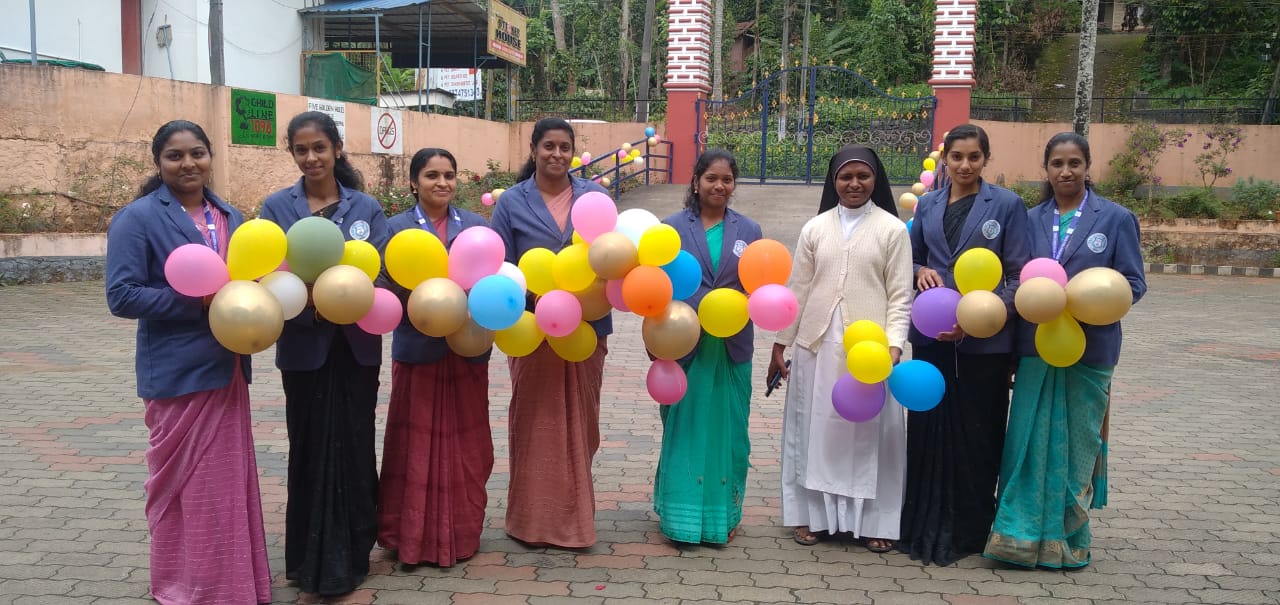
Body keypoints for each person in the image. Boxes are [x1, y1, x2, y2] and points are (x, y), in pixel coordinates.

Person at [105, 120, 271, 604]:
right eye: (175, 156)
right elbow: (121, 295)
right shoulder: (137, 219)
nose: (188, 164)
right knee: (188, 492)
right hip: (178, 375)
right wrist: (192, 302)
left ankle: (235, 583)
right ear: (158, 163)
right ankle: (190, 586)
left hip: (227, 369)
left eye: (197, 153)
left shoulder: (231, 215)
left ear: (211, 157)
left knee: (224, 490)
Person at [984, 132, 1147, 568]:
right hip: (1036, 349)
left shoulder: (1115, 218)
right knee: (1026, 443)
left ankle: (1068, 541)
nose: (1066, 171)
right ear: (1047, 169)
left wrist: (1083, 301)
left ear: (1088, 166)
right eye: (1057, 163)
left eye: (1075, 163)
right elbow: (1017, 278)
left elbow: (1133, 284)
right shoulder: (1029, 218)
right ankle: (1017, 538)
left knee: (1077, 447)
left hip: (1089, 351)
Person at [259, 111, 389, 596]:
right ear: (292, 153)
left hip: (356, 350)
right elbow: (267, 275)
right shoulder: (277, 207)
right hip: (304, 350)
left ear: (337, 148)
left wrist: (340, 296)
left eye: (320, 147)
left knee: (356, 446)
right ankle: (308, 562)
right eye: (301, 149)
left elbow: (380, 276)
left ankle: (353, 555)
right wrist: (312, 299)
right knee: (308, 449)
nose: (312, 157)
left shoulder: (365, 209)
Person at [898, 124, 1031, 566]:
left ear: (985, 159)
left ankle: (971, 530)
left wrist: (979, 318)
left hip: (984, 347)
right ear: (945, 160)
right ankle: (923, 525)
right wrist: (919, 271)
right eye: (956, 157)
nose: (965, 165)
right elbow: (911, 256)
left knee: (978, 435)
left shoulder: (1008, 206)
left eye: (974, 157)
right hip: (932, 340)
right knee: (928, 433)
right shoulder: (928, 204)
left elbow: (1020, 278)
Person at [770, 144, 913, 552]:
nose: (854, 184)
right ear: (833, 181)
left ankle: (874, 522)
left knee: (868, 432)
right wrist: (781, 342)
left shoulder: (892, 230)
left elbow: (901, 295)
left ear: (875, 180)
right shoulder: (815, 228)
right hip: (816, 344)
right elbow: (797, 288)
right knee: (816, 430)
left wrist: (893, 346)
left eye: (863, 176)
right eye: (845, 176)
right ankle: (813, 518)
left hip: (869, 352)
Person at [489, 117, 613, 548]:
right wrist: (533, 306)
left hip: (586, 331)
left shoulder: (596, 198)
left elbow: (613, 263)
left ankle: (575, 521)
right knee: (534, 420)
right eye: (549, 147)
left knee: (582, 424)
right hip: (531, 330)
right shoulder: (511, 203)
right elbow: (499, 268)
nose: (557, 155)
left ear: (574, 152)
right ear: (533, 149)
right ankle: (530, 521)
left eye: (565, 147)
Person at [376, 148, 493, 567]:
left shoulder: (478, 228)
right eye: (431, 175)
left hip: (467, 351)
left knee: (467, 443)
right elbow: (381, 285)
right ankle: (409, 535)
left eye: (448, 174)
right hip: (417, 351)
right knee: (414, 445)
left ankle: (459, 531)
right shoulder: (395, 229)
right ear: (413, 183)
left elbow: (495, 284)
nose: (441, 183)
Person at [654, 149, 762, 544]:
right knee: (684, 428)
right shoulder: (671, 229)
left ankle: (724, 516)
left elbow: (759, 286)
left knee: (731, 433)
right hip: (685, 346)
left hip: (731, 347)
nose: (719, 186)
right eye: (711, 178)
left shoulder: (750, 231)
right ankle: (679, 518)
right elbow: (657, 288)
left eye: (727, 179)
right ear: (696, 181)